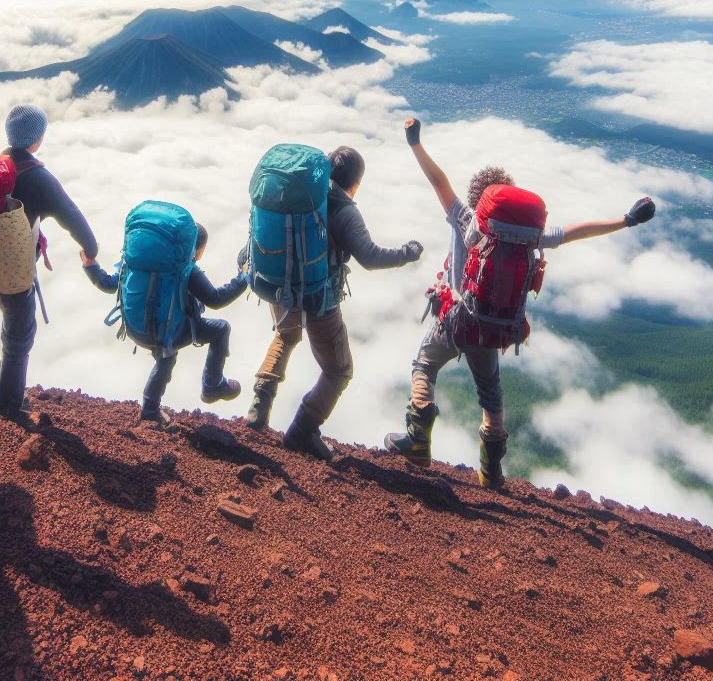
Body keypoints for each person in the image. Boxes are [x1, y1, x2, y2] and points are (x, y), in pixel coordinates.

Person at [383, 117, 654, 490]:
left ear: (479, 201)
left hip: (457, 320)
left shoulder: (468, 222)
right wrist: (625, 220)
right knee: (491, 395)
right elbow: (577, 231)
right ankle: (491, 473)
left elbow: (438, 182)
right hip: (494, 328)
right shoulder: (529, 239)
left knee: (424, 365)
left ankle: (417, 441)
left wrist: (415, 143)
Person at [247, 145, 425, 459]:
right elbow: (369, 257)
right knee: (339, 370)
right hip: (319, 296)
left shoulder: (296, 197)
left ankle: (259, 407)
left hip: (280, 284)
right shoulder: (344, 209)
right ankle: (303, 430)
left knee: (285, 335)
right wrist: (408, 253)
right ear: (356, 182)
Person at [0, 103, 100, 419]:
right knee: (20, 331)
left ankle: (4, 386)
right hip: (13, 269)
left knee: (12, 323)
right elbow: (72, 217)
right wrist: (91, 249)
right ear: (36, 140)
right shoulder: (38, 178)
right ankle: (9, 403)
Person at [82, 224, 248, 423]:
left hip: (136, 328)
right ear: (198, 250)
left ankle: (151, 408)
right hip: (166, 333)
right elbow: (216, 299)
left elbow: (109, 284)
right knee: (220, 329)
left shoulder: (138, 261)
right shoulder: (186, 269)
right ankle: (212, 386)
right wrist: (243, 277)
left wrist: (90, 264)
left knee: (166, 356)